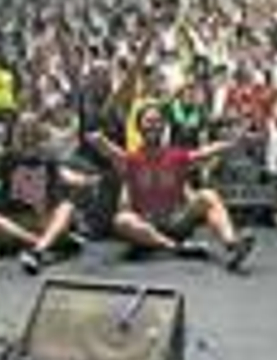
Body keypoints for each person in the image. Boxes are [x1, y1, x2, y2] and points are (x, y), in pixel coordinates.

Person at [87, 103, 256, 272]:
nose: (153, 125)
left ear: (163, 126)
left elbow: (205, 153)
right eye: (148, 121)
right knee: (121, 220)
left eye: (157, 121)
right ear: (140, 127)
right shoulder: (132, 159)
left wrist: (233, 142)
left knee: (208, 195)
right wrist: (98, 139)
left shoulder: (175, 155)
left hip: (176, 221)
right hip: (146, 227)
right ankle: (173, 247)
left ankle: (232, 243)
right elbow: (110, 151)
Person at [0, 113, 92, 275]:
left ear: (37, 131)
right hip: (17, 220)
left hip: (41, 218)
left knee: (67, 208)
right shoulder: (7, 157)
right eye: (23, 129)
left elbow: (55, 194)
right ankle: (45, 244)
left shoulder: (48, 157)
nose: (27, 134)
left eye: (31, 129)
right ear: (17, 132)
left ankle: (37, 251)